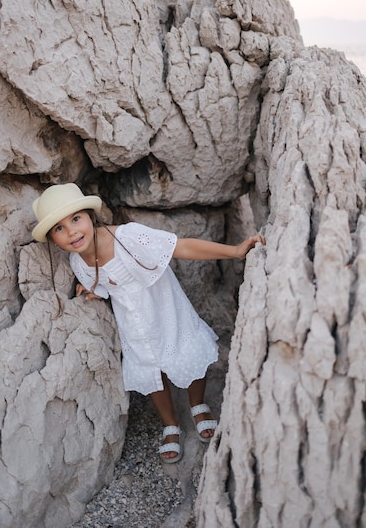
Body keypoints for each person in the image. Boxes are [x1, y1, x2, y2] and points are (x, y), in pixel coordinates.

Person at [31, 183, 265, 463]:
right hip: (133, 325)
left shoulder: (129, 237)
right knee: (149, 369)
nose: (71, 232)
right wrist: (94, 290)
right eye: (59, 228)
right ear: (53, 238)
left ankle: (198, 405)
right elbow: (106, 284)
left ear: (91, 217)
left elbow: (182, 247)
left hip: (165, 310)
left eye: (76, 219)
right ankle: (170, 424)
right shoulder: (77, 262)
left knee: (187, 351)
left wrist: (235, 251)